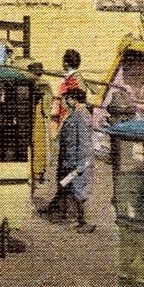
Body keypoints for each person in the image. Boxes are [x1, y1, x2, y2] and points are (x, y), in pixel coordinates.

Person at [47, 87, 96, 232]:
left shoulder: (81, 116)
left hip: (76, 162)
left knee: (77, 189)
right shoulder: (77, 114)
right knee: (64, 185)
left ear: (73, 99)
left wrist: (81, 165)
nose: (65, 101)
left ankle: (82, 221)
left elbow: (83, 143)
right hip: (69, 160)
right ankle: (56, 209)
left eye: (67, 98)